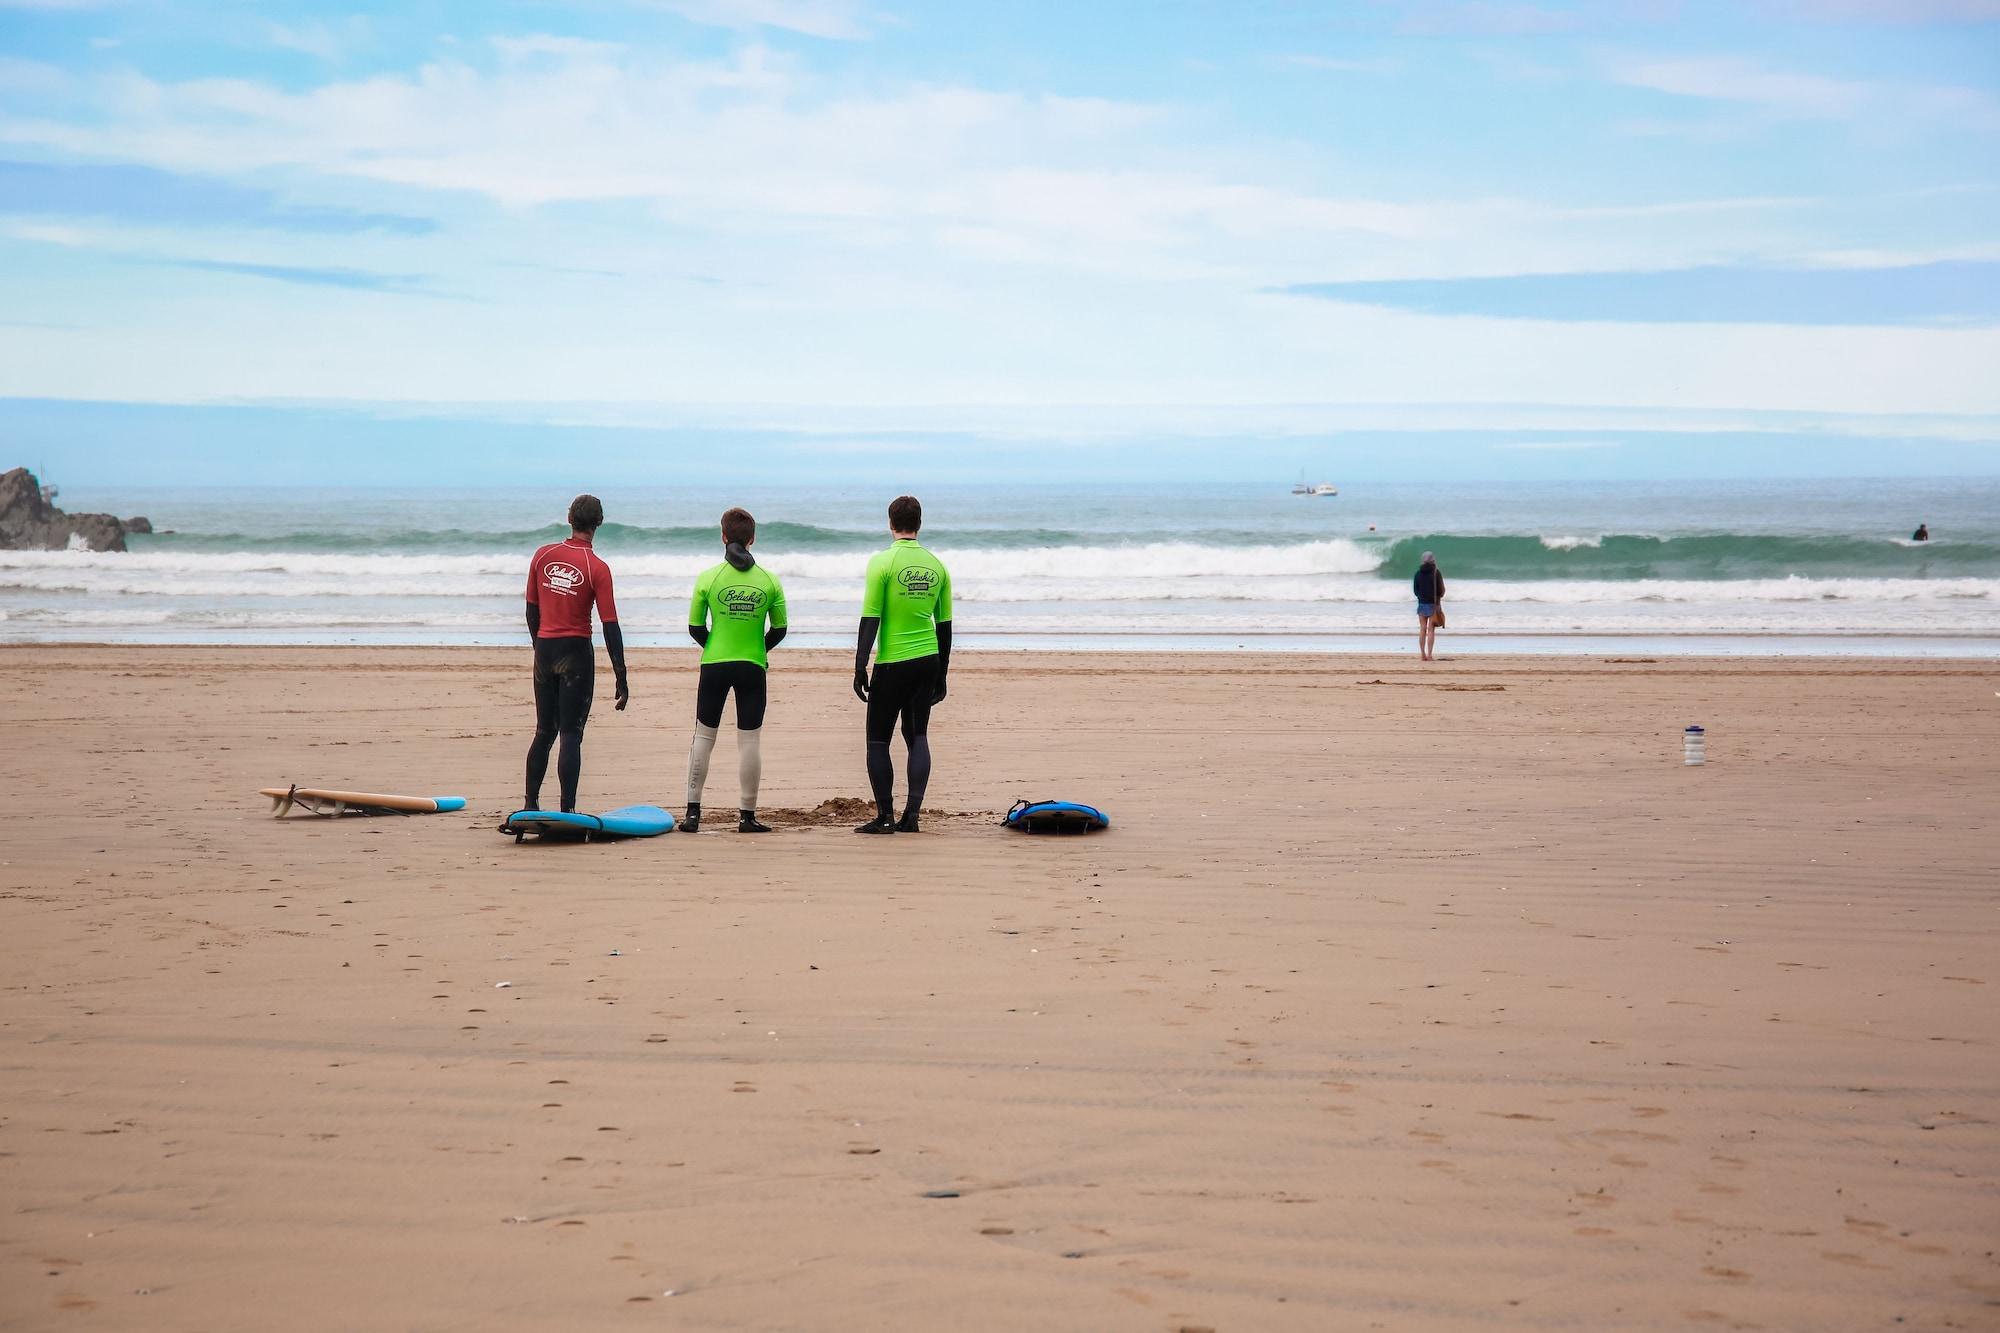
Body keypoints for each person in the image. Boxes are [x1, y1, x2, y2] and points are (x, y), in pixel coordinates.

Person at [852, 495, 952, 834]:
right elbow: (945, 625)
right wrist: (942, 673)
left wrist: (860, 665)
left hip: (893, 662)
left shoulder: (882, 563)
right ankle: (912, 816)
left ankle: (884, 817)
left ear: (890, 523)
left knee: (878, 740)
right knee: (917, 735)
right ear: (919, 524)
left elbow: (871, 617)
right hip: (928, 660)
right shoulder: (937, 566)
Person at [683, 508, 788, 833]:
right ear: (752, 539)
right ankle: (747, 816)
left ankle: (692, 815)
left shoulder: (708, 578)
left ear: (723, 536)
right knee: (749, 740)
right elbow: (780, 629)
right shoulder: (770, 580)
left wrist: (716, 647)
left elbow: (694, 627)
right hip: (752, 667)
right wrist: (757, 649)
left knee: (704, 735)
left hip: (714, 665)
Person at [524, 494, 627, 813]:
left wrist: (539, 646)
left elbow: (531, 611)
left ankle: (531, 804)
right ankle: (566, 810)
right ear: (599, 523)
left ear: (569, 519)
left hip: (545, 647)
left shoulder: (543, 556)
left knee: (544, 731)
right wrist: (621, 675)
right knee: (570, 733)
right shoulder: (597, 568)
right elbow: (610, 624)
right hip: (576, 652)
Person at [1413, 550, 1445, 662]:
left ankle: (1422, 654)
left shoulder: (1418, 573)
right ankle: (1430, 655)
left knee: (1422, 629)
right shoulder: (1436, 573)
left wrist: (1421, 597)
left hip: (1421, 603)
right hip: (1433, 604)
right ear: (1433, 560)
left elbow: (1415, 590)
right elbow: (1441, 590)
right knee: (1431, 630)